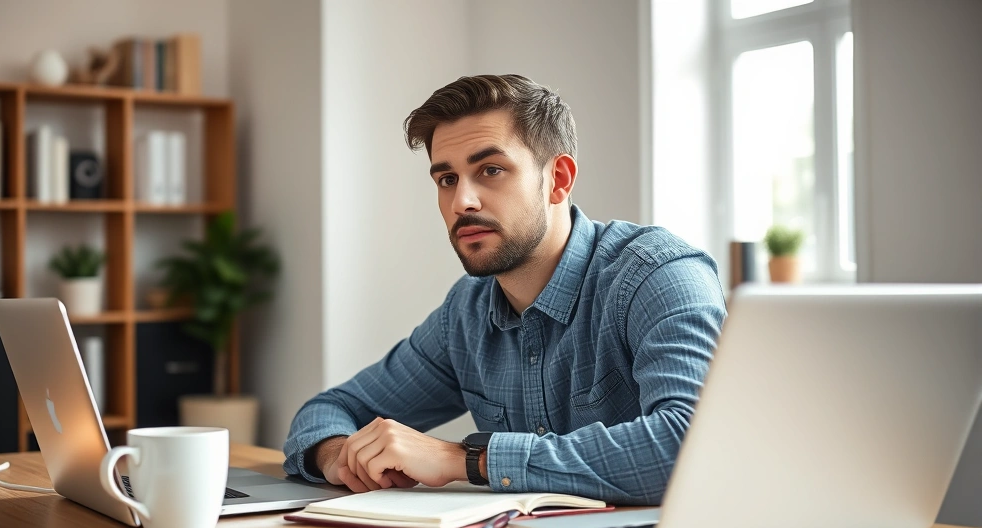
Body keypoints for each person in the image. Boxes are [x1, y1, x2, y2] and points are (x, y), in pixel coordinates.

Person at [283, 74, 726, 504]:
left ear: (559, 180)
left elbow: (692, 447)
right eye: (447, 179)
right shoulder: (467, 313)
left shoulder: (658, 276)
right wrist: (340, 456)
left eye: (491, 170)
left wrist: (466, 459)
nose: (462, 202)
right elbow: (330, 409)